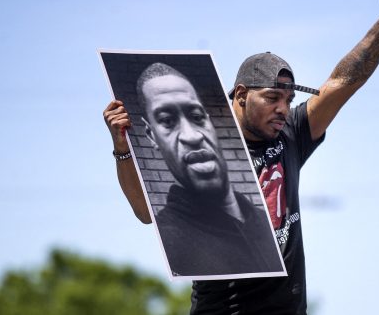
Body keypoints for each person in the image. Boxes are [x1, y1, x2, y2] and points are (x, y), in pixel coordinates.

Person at [103, 0, 379, 314]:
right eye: (273, 98)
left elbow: (343, 82)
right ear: (242, 95)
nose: (283, 109)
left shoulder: (291, 133)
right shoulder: (201, 143)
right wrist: (123, 149)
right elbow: (146, 212)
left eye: (289, 100)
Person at [106, 62, 284, 276]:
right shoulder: (173, 232)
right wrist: (122, 148)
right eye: (168, 121)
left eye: (197, 117)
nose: (192, 136)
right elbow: (144, 213)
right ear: (152, 135)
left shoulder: (262, 219)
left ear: (210, 123)